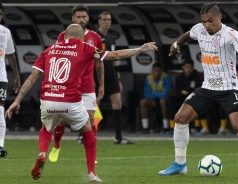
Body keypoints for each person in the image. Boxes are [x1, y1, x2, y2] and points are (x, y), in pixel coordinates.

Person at [5, 24, 157, 182]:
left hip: (49, 99)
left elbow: (32, 77)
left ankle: (42, 153)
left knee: (45, 129)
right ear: (82, 37)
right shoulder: (85, 47)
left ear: (64, 36)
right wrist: (140, 49)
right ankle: (92, 174)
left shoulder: (50, 49)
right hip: (70, 101)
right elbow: (115, 55)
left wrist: (17, 100)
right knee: (88, 131)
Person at [158, 2, 238, 176]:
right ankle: (180, 164)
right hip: (207, 88)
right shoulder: (199, 29)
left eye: (210, 21)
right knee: (180, 117)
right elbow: (188, 35)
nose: (207, 25)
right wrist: (176, 44)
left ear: (219, 17)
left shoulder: (231, 34)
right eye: (203, 21)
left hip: (228, 88)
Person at [48, 4, 104, 163]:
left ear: (88, 18)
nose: (81, 19)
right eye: (78, 17)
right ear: (73, 18)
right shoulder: (63, 36)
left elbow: (99, 63)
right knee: (62, 120)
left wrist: (102, 85)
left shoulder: (96, 38)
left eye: (84, 16)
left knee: (91, 121)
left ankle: (92, 157)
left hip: (87, 85)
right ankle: (57, 145)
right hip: (69, 85)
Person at [96, 11, 133, 144]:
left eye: (109, 20)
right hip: (98, 75)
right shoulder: (95, 37)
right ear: (99, 21)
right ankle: (86, 135)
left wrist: (118, 78)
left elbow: (115, 60)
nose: (107, 22)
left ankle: (118, 137)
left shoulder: (111, 38)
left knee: (117, 103)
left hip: (111, 75)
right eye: (104, 19)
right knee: (94, 105)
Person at [0, 2, 21, 157]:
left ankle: (0, 146)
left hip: (1, 77)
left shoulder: (5, 32)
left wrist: (17, 76)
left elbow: (11, 55)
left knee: (0, 109)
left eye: (0, 13)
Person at [140, 62, 172, 133]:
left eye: (159, 71)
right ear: (152, 71)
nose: (157, 73)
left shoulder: (166, 78)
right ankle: (145, 128)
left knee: (162, 101)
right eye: (155, 71)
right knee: (143, 102)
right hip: (153, 101)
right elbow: (146, 94)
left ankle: (165, 127)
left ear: (161, 71)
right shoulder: (149, 78)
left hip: (165, 101)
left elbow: (166, 94)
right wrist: (159, 93)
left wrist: (153, 93)